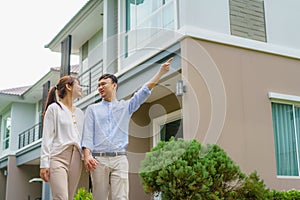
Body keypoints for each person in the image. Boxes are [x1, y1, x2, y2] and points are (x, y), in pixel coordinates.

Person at [81, 57, 174, 200]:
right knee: (99, 197)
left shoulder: (125, 106)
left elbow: (143, 93)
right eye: (98, 85)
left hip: (120, 158)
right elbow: (87, 135)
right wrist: (87, 155)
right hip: (99, 160)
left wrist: (160, 72)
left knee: (121, 197)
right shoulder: (92, 109)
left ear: (114, 85)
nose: (100, 87)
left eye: (103, 84)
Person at [40, 75, 85, 200]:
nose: (81, 88)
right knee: (61, 197)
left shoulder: (80, 113)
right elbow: (47, 138)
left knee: (69, 197)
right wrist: (44, 164)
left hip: (76, 157)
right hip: (58, 157)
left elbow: (83, 138)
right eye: (78, 85)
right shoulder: (54, 109)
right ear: (68, 87)